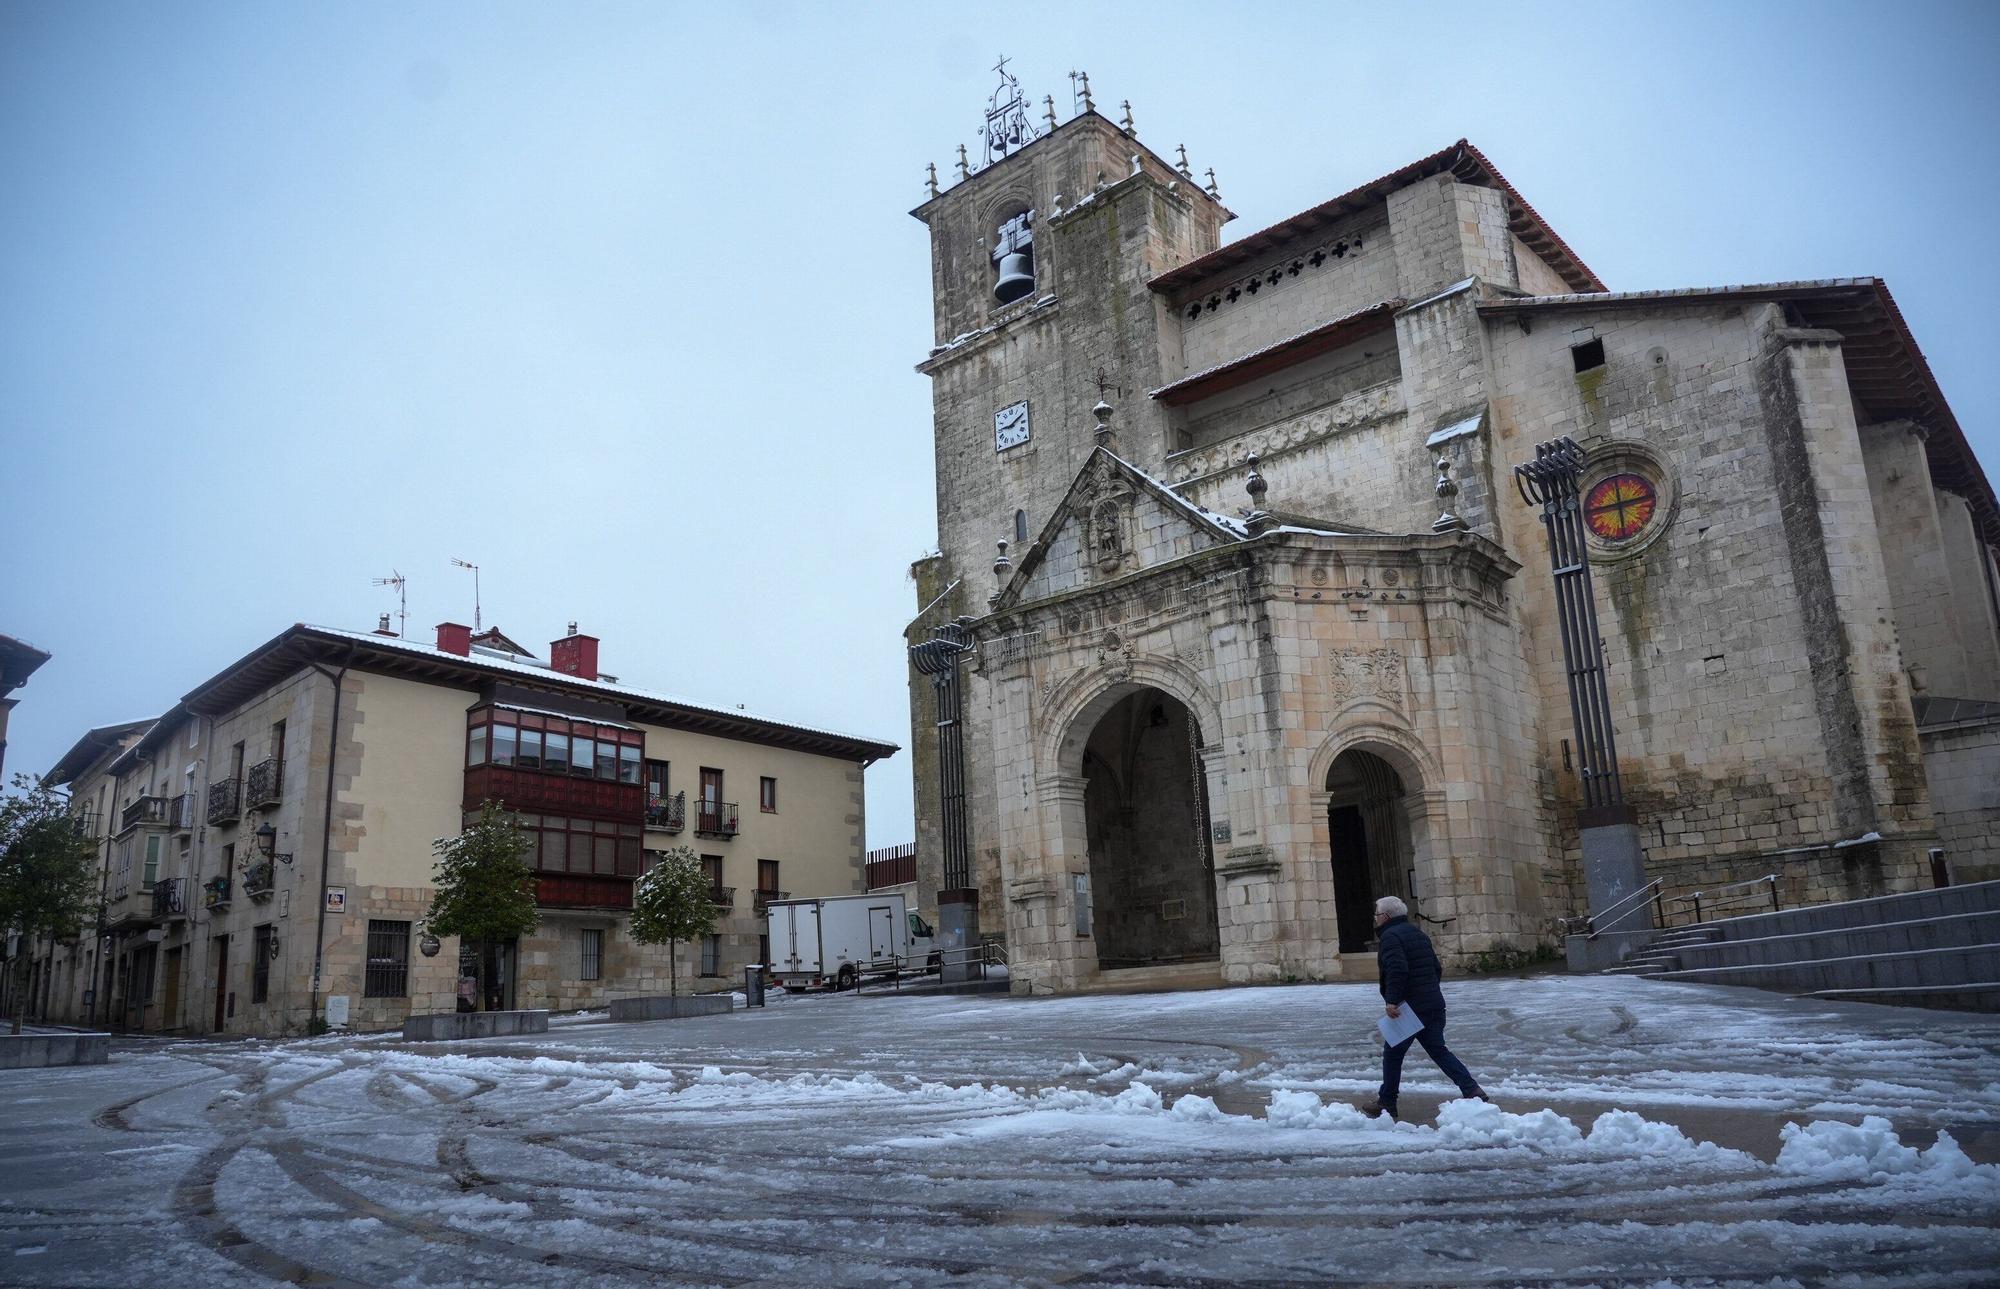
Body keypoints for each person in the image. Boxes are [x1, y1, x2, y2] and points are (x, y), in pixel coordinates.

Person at [1360, 895, 1488, 1120]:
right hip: (1432, 1003)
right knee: (1438, 1050)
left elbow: (1397, 969)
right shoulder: (1419, 934)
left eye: (1377, 915)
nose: (1375, 919)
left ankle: (1387, 1102)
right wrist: (1427, 991)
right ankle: (1471, 1089)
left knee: (1393, 1054)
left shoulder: (1390, 937)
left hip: (1408, 1008)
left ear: (1386, 917)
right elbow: (1435, 968)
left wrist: (1392, 1000)